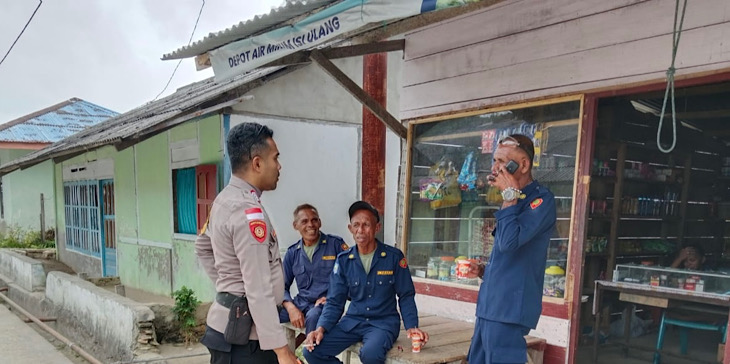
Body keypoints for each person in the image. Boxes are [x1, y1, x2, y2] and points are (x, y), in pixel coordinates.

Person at [195, 122, 299, 364]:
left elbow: (202, 246)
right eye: (275, 158)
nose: (279, 166)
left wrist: (229, 287)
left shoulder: (223, 200)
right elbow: (258, 287)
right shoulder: (247, 210)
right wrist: (282, 350)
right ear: (257, 163)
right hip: (246, 342)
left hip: (228, 331)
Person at [303, 201, 429, 364]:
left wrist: (412, 326)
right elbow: (335, 301)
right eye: (356, 225)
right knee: (311, 351)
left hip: (383, 323)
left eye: (366, 225)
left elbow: (406, 295)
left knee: (370, 354)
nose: (360, 230)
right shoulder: (343, 261)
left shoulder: (393, 257)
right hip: (352, 321)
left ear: (377, 228)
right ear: (350, 229)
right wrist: (320, 329)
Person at [468, 134, 556, 364]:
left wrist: (509, 197)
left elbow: (508, 243)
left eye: (501, 161)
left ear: (523, 165)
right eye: (494, 160)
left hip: (509, 309)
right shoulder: (517, 199)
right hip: (490, 305)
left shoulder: (541, 200)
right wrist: (483, 270)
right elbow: (509, 255)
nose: (495, 167)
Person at [280, 204, 349, 336]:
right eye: (304, 221)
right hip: (301, 303)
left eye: (314, 220)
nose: (310, 224)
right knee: (267, 314)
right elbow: (282, 286)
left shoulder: (335, 245)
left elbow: (352, 279)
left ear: (320, 222)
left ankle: (311, 354)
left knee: (313, 317)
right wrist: (291, 308)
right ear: (295, 226)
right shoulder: (293, 252)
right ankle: (275, 355)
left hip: (327, 305)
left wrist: (332, 298)